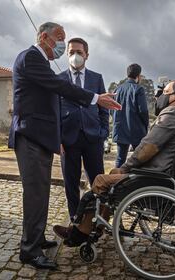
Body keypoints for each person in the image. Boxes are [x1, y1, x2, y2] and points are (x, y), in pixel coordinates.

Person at [8, 22, 121, 269]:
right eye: (60, 39)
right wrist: (95, 98)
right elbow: (60, 87)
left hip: (42, 138)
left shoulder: (42, 62)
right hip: (31, 136)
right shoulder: (30, 58)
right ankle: (29, 250)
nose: (63, 47)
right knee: (36, 194)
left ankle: (36, 239)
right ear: (44, 37)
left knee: (42, 192)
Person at [53, 80, 175, 246]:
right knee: (112, 178)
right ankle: (96, 226)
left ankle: (80, 233)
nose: (161, 96)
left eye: (165, 92)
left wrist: (126, 167)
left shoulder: (172, 113)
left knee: (101, 180)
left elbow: (148, 147)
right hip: (169, 177)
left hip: (154, 178)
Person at [58, 37, 109, 220]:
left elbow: (104, 109)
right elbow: (55, 110)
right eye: (71, 52)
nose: (75, 56)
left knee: (98, 181)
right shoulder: (59, 79)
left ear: (87, 55)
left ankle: (96, 218)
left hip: (93, 138)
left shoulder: (96, 78)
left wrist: (103, 133)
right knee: (70, 183)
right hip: (68, 140)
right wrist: (58, 139)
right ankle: (75, 220)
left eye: (79, 52)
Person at [112, 63, 149, 167]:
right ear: (138, 75)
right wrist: (146, 125)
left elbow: (111, 109)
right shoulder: (138, 89)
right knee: (139, 159)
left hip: (120, 129)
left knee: (120, 159)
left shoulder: (117, 89)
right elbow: (143, 111)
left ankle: (116, 181)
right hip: (136, 130)